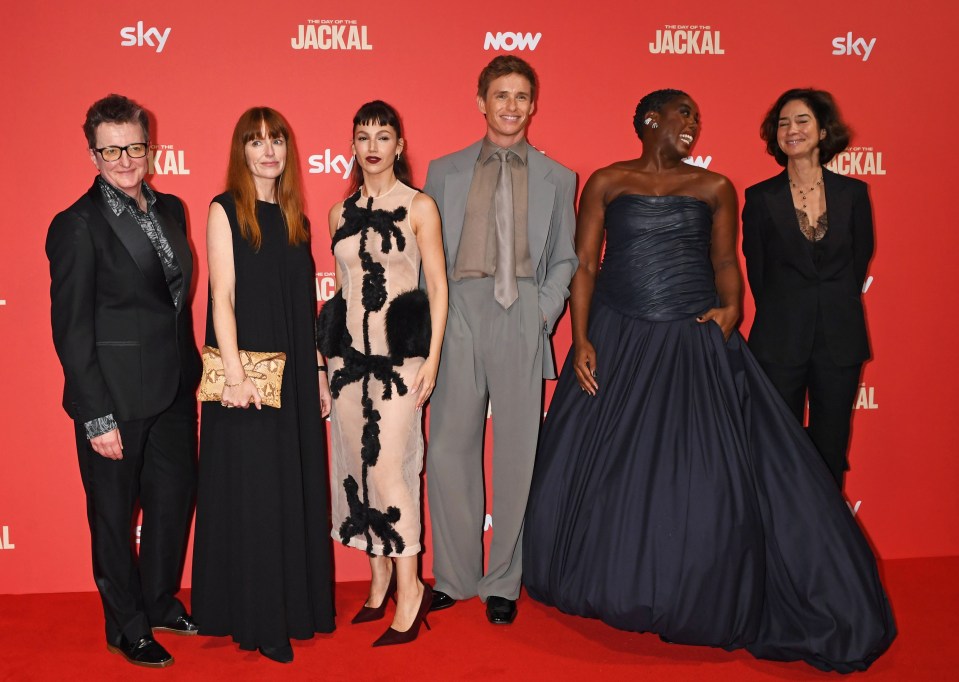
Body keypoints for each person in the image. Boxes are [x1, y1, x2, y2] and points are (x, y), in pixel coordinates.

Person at [522, 90, 896, 673]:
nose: (694, 124)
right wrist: (584, 337)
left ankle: (703, 583)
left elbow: (727, 262)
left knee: (701, 471)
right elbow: (587, 263)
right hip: (619, 339)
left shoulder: (715, 186)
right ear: (651, 120)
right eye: (684, 114)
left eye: (698, 116)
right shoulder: (605, 180)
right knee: (606, 466)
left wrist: (731, 308)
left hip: (693, 340)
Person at [46, 94, 201, 668]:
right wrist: (95, 414)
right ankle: (126, 625)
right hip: (115, 397)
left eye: (134, 146)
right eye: (110, 150)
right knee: (112, 515)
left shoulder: (173, 209)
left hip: (175, 386)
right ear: (94, 155)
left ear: (150, 148)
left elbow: (173, 304)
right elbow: (71, 330)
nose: (124, 160)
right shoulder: (77, 225)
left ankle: (159, 602)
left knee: (171, 501)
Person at [424, 55, 577, 625]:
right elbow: (426, 254)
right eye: (500, 95)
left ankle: (502, 582)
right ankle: (456, 575)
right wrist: (430, 327)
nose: (511, 106)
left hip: (523, 311)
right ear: (481, 102)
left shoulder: (559, 177)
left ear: (533, 105)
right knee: (448, 449)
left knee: (517, 453)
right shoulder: (444, 170)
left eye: (521, 96)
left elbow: (566, 255)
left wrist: (542, 311)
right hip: (458, 310)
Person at [191, 107, 335, 663]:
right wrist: (232, 374)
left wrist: (319, 371)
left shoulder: (295, 215)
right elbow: (220, 297)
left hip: (295, 374)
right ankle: (259, 620)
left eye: (276, 141)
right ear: (241, 151)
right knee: (255, 496)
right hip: (246, 377)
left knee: (290, 488)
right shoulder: (225, 210)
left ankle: (298, 608)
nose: (267, 151)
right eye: (255, 142)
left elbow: (304, 305)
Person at [318, 100, 447, 647]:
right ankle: (377, 582)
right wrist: (326, 365)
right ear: (352, 145)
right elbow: (341, 293)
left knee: (393, 470)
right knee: (356, 467)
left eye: (384, 136)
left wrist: (434, 358)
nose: (373, 146)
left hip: (400, 364)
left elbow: (438, 288)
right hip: (348, 367)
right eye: (363, 136)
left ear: (399, 145)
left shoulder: (419, 207)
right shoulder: (336, 213)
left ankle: (410, 589)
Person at [742, 88, 873, 489]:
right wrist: (790, 312)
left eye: (802, 121)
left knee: (831, 447)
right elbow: (759, 275)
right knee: (776, 448)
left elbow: (857, 265)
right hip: (779, 341)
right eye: (783, 123)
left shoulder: (853, 194)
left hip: (839, 338)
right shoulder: (760, 198)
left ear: (822, 131)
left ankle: (827, 545)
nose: (791, 130)